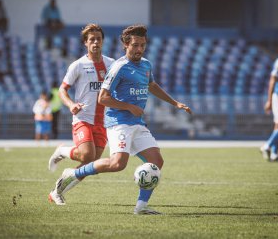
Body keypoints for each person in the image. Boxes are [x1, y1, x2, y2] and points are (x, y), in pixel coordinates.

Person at [49, 25, 192, 215]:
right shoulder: (119, 67)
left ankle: (141, 207)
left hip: (137, 123)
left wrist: (175, 103)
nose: (139, 49)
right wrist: (129, 107)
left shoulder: (146, 65)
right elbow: (102, 97)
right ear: (125, 45)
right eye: (135, 45)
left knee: (156, 161)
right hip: (118, 122)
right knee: (118, 164)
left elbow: (152, 85)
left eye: (142, 45)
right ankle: (73, 173)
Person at [47, 24, 115, 203]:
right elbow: (62, 90)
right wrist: (70, 104)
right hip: (82, 118)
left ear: (102, 41)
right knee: (86, 155)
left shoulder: (112, 64)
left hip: (103, 121)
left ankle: (57, 192)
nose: (95, 42)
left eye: (98, 39)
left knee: (90, 165)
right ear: (85, 42)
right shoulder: (78, 65)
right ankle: (62, 150)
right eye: (91, 39)